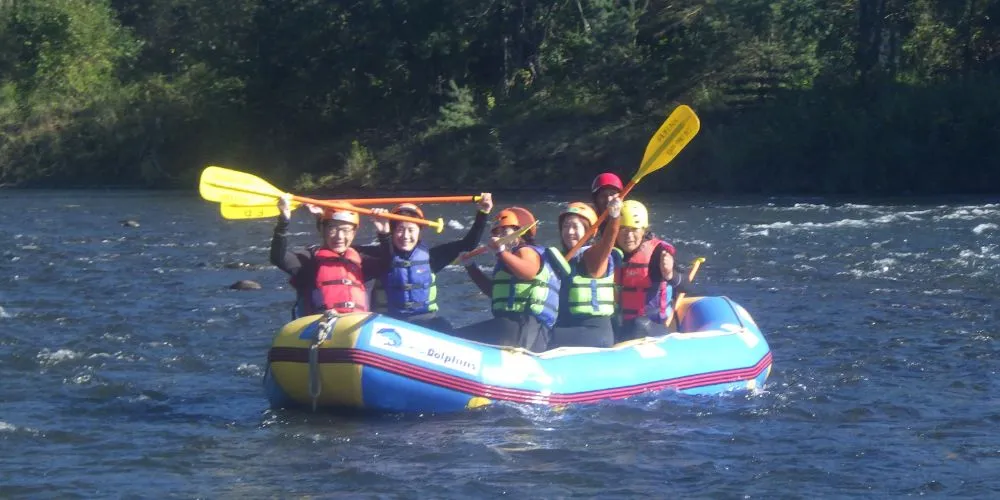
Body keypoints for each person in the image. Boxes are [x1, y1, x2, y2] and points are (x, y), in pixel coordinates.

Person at [369, 194, 494, 330]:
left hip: (425, 322)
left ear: (419, 232)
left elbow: (468, 244)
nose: (405, 236)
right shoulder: (379, 256)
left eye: (411, 230)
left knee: (444, 326)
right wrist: (382, 232)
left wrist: (483, 212)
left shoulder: (431, 257)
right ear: (391, 232)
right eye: (400, 230)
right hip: (392, 324)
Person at [455, 207, 562, 352]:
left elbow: (529, 272)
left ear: (521, 232)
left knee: (452, 338)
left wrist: (501, 252)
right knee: (459, 335)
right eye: (497, 232)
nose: (499, 236)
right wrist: (470, 266)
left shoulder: (526, 250)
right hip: (514, 326)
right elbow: (494, 292)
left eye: (505, 231)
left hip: (525, 326)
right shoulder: (509, 257)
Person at [270, 195, 388, 319]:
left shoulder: (361, 259)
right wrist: (283, 221)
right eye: (332, 229)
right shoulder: (310, 260)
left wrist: (384, 234)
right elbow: (278, 257)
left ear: (354, 233)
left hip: (356, 327)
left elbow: (389, 262)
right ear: (323, 230)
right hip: (320, 327)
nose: (339, 237)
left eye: (346, 230)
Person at [549, 198, 623, 348]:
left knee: (540, 335)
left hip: (594, 332)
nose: (569, 232)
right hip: (566, 328)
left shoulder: (593, 257)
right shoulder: (559, 258)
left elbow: (607, 243)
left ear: (590, 231)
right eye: (565, 227)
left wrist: (614, 218)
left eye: (575, 227)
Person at [614, 200, 685, 343]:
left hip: (652, 327)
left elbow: (687, 286)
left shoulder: (657, 253)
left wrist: (670, 274)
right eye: (623, 229)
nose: (629, 236)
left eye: (634, 230)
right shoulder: (610, 254)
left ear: (644, 230)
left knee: (638, 324)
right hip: (620, 325)